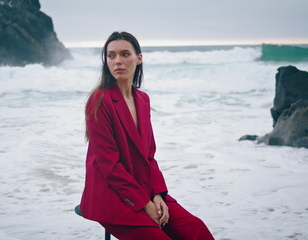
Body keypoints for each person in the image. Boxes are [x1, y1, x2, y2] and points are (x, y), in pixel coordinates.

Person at [79, 31, 214, 240]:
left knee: (196, 230)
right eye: (111, 56)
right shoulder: (99, 101)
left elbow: (149, 155)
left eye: (125, 54)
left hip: (144, 189)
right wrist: (144, 204)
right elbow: (110, 166)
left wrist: (158, 194)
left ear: (138, 58)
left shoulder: (142, 99)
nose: (117, 61)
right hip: (112, 197)